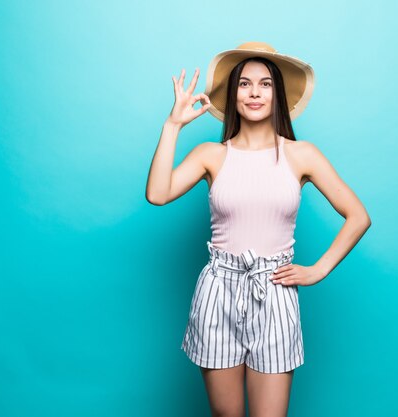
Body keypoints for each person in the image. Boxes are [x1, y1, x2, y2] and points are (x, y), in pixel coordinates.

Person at [146, 42, 371, 417]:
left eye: (265, 84)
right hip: (219, 290)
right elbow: (157, 193)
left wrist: (318, 269)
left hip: (275, 290)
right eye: (244, 84)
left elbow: (358, 216)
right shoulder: (210, 155)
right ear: (232, 94)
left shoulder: (302, 155)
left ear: (277, 95)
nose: (254, 92)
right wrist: (173, 125)